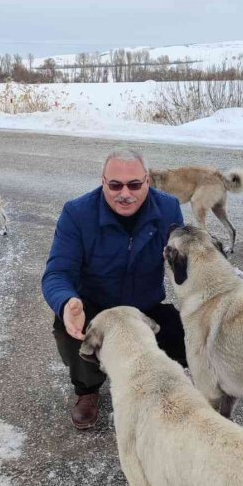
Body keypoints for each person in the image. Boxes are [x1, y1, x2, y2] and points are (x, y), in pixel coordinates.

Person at [42, 147, 187, 429]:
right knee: (68, 325)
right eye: (115, 185)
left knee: (188, 332)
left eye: (134, 184)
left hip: (145, 308)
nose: (125, 193)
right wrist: (67, 301)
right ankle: (87, 389)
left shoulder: (168, 208)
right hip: (96, 308)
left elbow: (183, 261)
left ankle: (170, 381)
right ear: (103, 182)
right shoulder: (77, 213)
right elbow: (58, 272)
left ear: (147, 181)